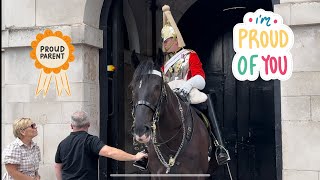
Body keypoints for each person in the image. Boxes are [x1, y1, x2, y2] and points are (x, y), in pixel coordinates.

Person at [133, 4, 230, 170]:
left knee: (206, 102)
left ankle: (219, 145)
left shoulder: (189, 55)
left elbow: (201, 78)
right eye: (163, 40)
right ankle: (146, 150)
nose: (165, 43)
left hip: (187, 90)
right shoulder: (163, 65)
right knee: (154, 111)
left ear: (176, 40)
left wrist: (188, 85)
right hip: (168, 94)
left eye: (168, 40)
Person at [54, 111, 147, 180]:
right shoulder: (90, 141)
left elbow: (57, 167)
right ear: (88, 124)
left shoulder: (62, 144)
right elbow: (110, 152)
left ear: (71, 126)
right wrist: (135, 157)